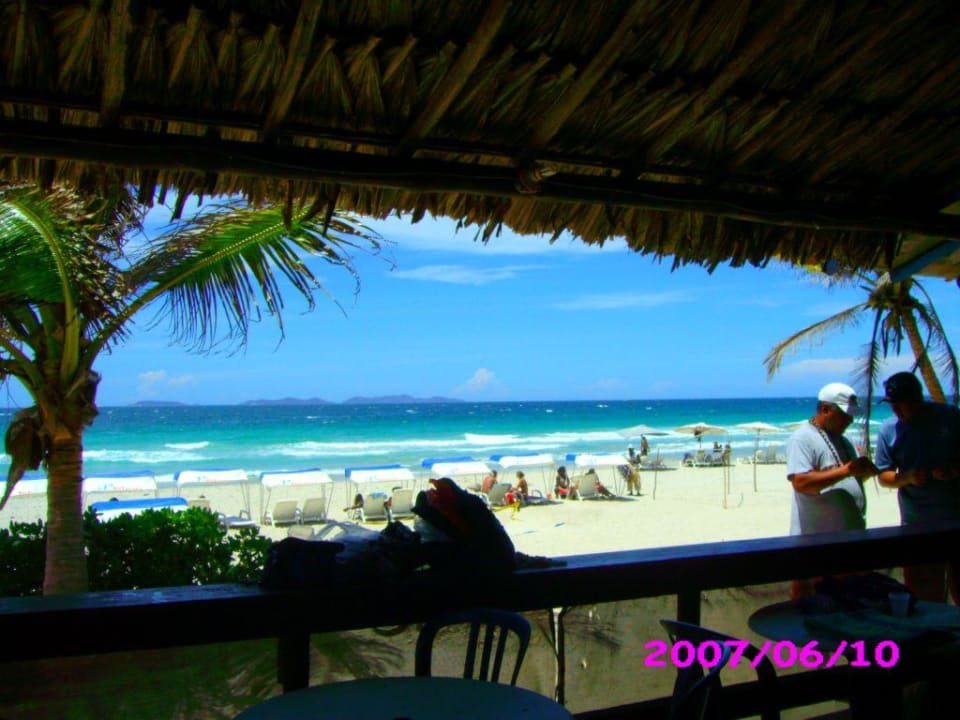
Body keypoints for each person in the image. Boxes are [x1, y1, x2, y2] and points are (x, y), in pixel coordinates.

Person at [786, 382, 879, 597]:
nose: (850, 420)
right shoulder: (803, 438)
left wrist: (861, 473)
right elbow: (801, 482)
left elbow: (841, 479)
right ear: (825, 409)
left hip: (847, 543)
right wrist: (846, 471)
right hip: (817, 545)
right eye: (845, 415)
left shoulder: (843, 440)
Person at [874, 371, 960, 602]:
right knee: (924, 598)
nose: (896, 411)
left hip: (955, 520)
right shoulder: (888, 429)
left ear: (917, 399)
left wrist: (953, 470)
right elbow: (883, 475)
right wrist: (907, 478)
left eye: (901, 405)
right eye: (892, 405)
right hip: (916, 525)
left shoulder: (950, 417)